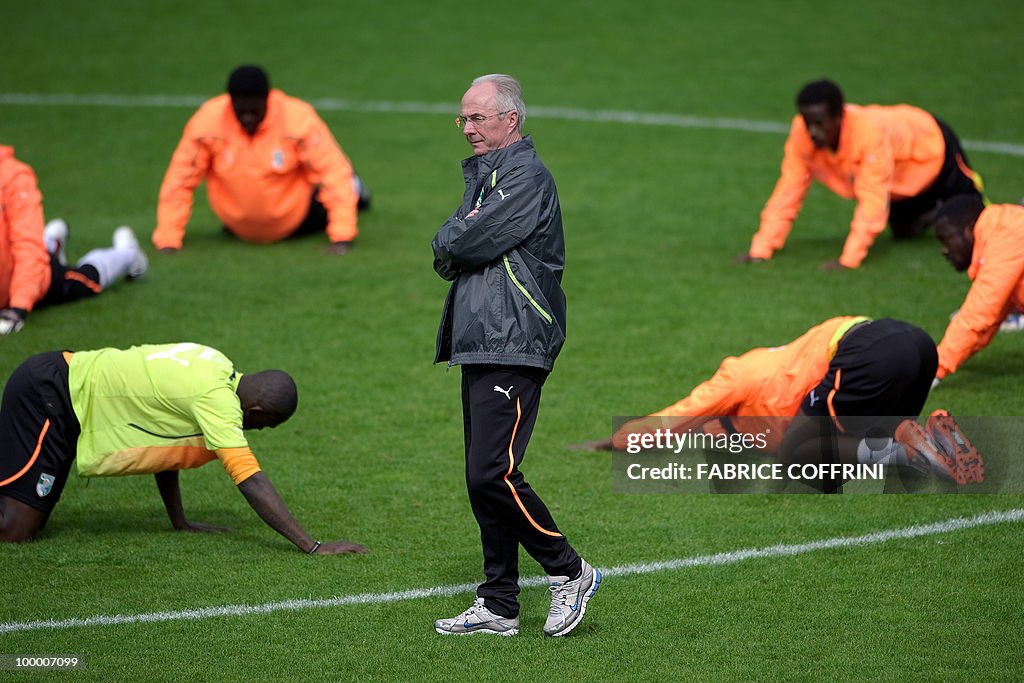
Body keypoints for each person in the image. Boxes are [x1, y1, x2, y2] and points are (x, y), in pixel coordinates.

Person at [431, 74, 600, 638]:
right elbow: (449, 246)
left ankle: (568, 570)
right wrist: (457, 236)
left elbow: (460, 244)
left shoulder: (525, 177)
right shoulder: (487, 179)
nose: (469, 128)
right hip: (482, 339)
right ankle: (499, 603)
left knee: (491, 472)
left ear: (511, 120)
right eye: (464, 119)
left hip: (516, 340)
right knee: (481, 477)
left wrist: (458, 236)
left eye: (478, 118)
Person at [0, 342, 367, 555]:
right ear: (255, 411)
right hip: (49, 396)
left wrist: (179, 521)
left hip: (61, 391)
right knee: (15, 531)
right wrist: (312, 545)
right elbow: (250, 480)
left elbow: (164, 438)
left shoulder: (214, 362)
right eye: (264, 425)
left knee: (27, 520)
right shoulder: (218, 404)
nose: (259, 431)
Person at [577, 317, 980, 487]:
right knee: (829, 459)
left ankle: (904, 450)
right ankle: (928, 436)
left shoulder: (736, 379)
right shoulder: (758, 394)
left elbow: (673, 420)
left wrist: (616, 440)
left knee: (799, 460)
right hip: (902, 340)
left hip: (862, 350)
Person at [740, 79, 984, 271]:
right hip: (898, 181)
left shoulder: (869, 134)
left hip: (932, 147)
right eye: (807, 122)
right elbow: (788, 190)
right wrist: (760, 249)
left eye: (819, 123)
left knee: (973, 218)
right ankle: (928, 211)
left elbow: (872, 201)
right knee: (904, 235)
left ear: (839, 117)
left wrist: (849, 260)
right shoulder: (802, 135)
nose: (812, 131)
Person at [152, 65, 370, 256]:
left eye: (254, 111)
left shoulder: (297, 119)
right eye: (241, 112)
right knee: (340, 182)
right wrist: (168, 240)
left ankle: (359, 193)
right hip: (238, 226)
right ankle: (357, 189)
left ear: (268, 99)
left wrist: (342, 237)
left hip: (298, 219)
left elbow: (333, 173)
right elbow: (179, 181)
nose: (248, 118)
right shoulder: (207, 124)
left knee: (342, 182)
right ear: (230, 102)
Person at [0, 145, 147, 335]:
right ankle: (51, 241)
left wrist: (18, 307)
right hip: (17, 264)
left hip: (30, 277)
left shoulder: (12, 176)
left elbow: (27, 247)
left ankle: (129, 253)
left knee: (85, 281)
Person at [933, 194, 1024, 384]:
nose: (944, 250)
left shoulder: (1007, 233)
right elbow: (987, 322)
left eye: (947, 239)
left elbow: (980, 312)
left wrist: (936, 368)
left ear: (968, 229)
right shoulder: (1005, 228)